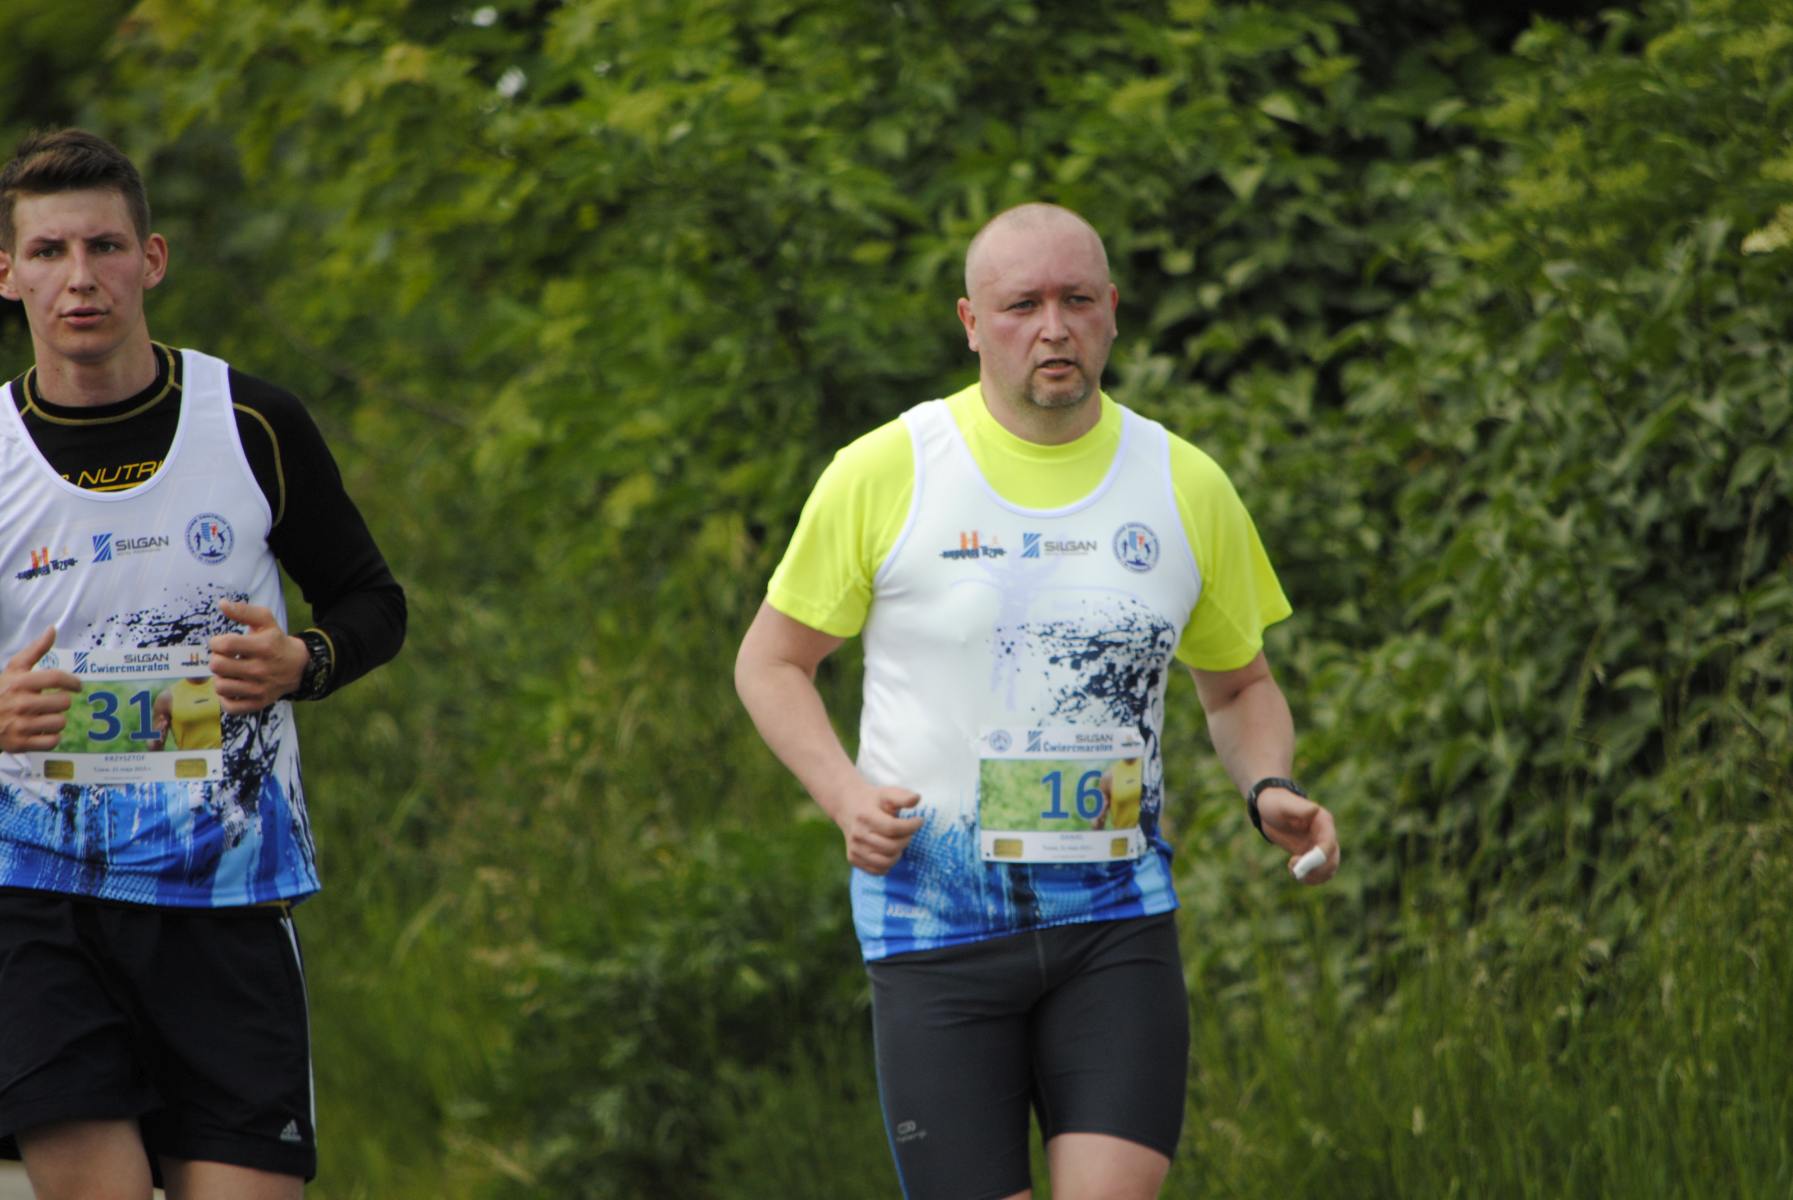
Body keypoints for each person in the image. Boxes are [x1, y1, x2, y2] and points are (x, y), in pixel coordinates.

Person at [734, 202, 1339, 1200]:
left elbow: (1238, 685)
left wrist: (1267, 784)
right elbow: (770, 663)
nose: (1052, 328)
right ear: (971, 323)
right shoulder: (887, 470)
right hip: (933, 928)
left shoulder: (1182, 483)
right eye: (1021, 305)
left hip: (1114, 926)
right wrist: (842, 795)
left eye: (1076, 300)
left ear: (1112, 312)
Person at [0, 129, 405, 1200]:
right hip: (36, 896)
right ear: (8, 274)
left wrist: (301, 661)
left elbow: (374, 602)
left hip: (225, 895)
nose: (79, 278)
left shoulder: (252, 422)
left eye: (104, 247)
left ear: (152, 260)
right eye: (47, 252)